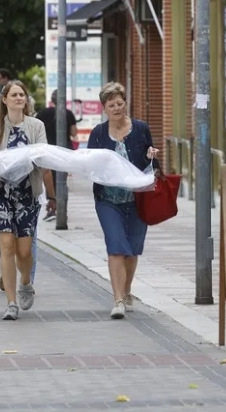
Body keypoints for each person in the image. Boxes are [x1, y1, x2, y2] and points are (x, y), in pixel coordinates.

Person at [0, 81, 56, 320]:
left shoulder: (36, 126)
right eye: (14, 95)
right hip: (0, 194)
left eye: (22, 94)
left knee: (24, 251)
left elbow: (43, 157)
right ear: (5, 99)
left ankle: (25, 282)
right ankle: (11, 303)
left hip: (27, 196)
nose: (19, 98)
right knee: (7, 247)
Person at [87, 82, 158, 319]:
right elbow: (90, 164)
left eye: (120, 103)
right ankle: (117, 299)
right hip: (108, 200)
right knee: (116, 247)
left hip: (137, 199)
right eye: (112, 105)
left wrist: (151, 157)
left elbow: (152, 165)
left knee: (132, 250)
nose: (117, 108)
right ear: (104, 108)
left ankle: (127, 290)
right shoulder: (98, 133)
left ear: (125, 103)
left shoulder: (140, 128)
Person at [34, 89, 79, 218]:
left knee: (48, 179)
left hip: (47, 151)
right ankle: (62, 209)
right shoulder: (68, 114)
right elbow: (74, 133)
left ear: (51, 100)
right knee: (62, 181)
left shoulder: (42, 113)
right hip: (64, 152)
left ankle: (52, 206)